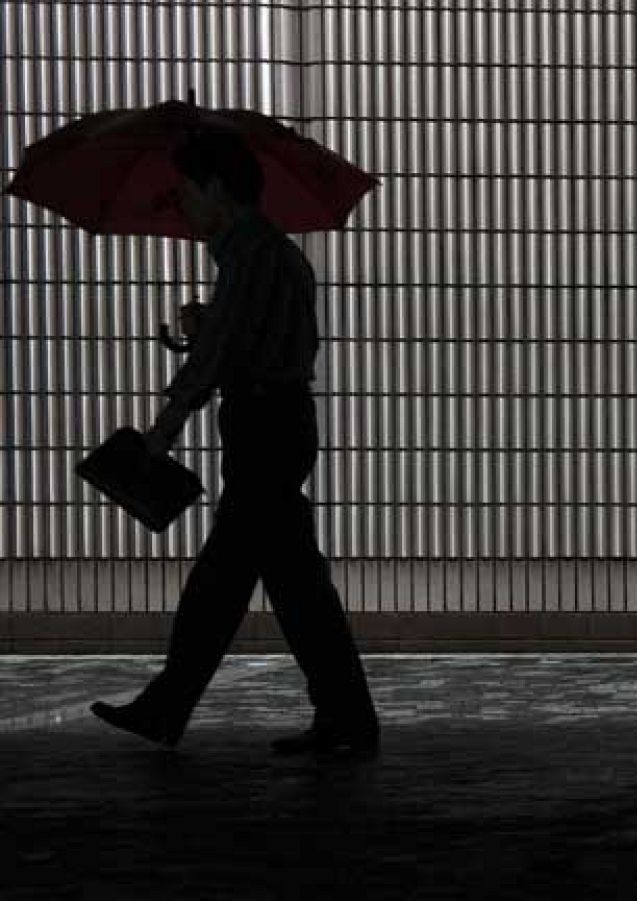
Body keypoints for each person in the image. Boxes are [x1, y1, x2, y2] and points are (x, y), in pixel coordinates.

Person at [90, 131, 379, 755]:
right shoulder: (271, 255)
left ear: (217, 189)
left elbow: (224, 356)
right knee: (288, 585)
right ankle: (342, 715)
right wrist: (211, 323)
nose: (182, 206)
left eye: (188, 192)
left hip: (263, 428)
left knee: (229, 582)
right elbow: (258, 340)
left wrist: (165, 427)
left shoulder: (249, 254)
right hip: (279, 424)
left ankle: (172, 706)